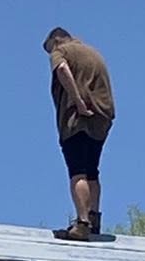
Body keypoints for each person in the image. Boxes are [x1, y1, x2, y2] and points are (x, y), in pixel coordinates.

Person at [43, 27, 116, 242]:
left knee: (78, 171)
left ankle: (82, 223)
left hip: (78, 118)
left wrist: (77, 101)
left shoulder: (61, 51)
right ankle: (94, 219)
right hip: (102, 117)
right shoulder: (94, 53)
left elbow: (62, 70)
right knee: (93, 170)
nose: (51, 54)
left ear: (56, 40)